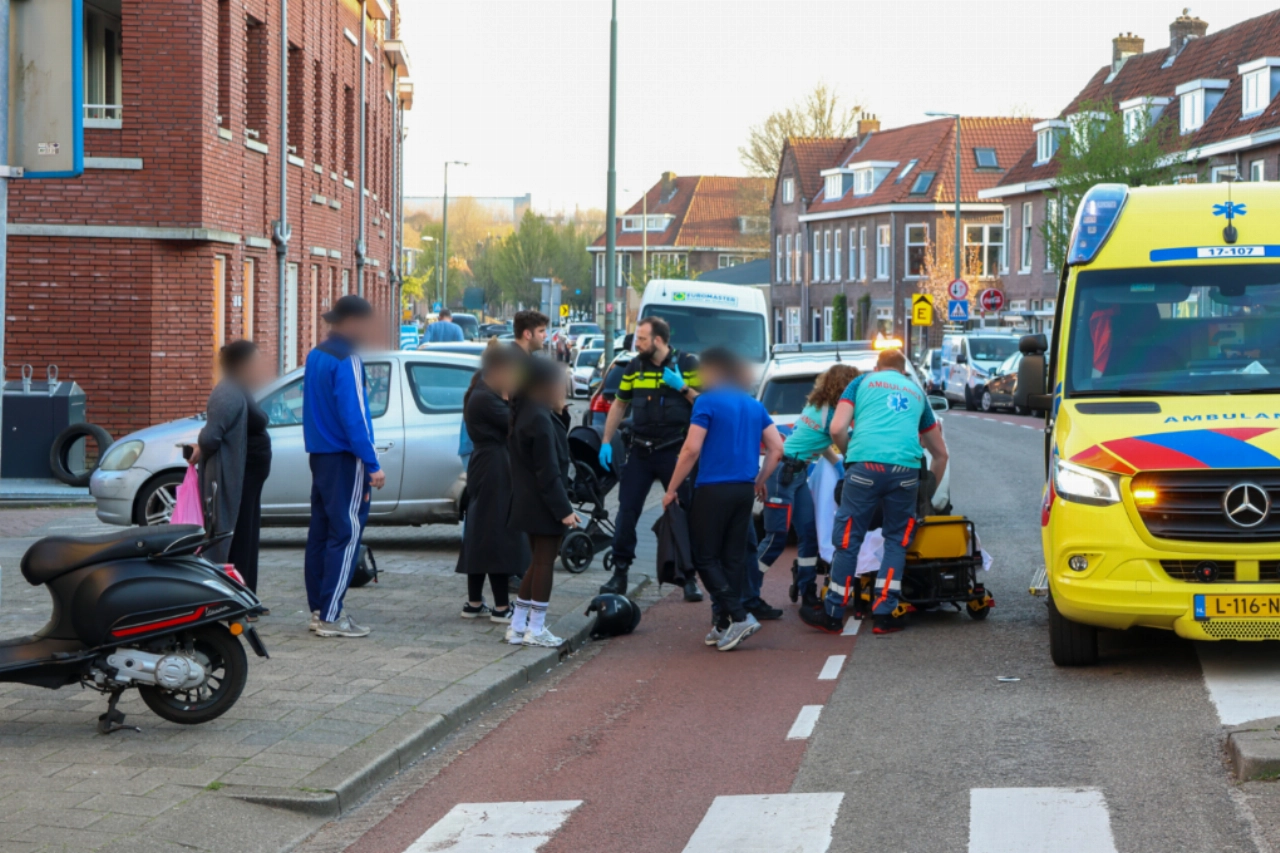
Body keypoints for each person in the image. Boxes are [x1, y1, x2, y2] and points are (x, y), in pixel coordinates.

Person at [813, 347, 949, 636]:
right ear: (902, 371)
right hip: (905, 472)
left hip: (865, 468)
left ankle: (833, 613)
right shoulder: (915, 391)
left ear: (877, 368)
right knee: (896, 542)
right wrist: (926, 495)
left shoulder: (860, 383)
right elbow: (940, 454)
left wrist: (853, 458)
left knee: (849, 540)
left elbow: (837, 429)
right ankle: (885, 615)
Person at [663, 347, 782, 651]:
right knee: (731, 557)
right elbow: (776, 448)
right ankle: (723, 622)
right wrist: (759, 480)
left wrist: (672, 488)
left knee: (704, 556)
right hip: (743, 489)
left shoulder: (706, 401)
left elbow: (690, 450)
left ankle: (740, 616)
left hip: (713, 488)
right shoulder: (753, 404)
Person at [598, 317, 703, 602]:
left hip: (674, 451)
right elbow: (620, 404)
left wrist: (682, 387)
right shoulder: (634, 367)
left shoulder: (689, 365)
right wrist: (606, 441)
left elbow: (706, 404)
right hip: (641, 451)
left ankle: (689, 578)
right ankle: (620, 574)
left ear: (658, 340)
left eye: (642, 339)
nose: (637, 344)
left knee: (682, 511)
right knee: (626, 511)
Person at [302, 294, 385, 639]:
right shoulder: (347, 359)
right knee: (347, 533)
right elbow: (356, 417)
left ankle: (320, 608)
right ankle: (332, 615)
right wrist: (372, 462)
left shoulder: (316, 354)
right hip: (344, 458)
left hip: (320, 456)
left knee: (320, 534)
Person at [757, 364, 860, 612]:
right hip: (784, 472)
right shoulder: (834, 411)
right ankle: (746, 594)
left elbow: (820, 440)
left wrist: (837, 464)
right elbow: (837, 437)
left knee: (809, 535)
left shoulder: (818, 406)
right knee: (775, 537)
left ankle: (807, 591)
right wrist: (849, 458)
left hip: (797, 472)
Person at [506, 357, 581, 648]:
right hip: (543, 503)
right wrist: (564, 510)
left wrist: (560, 409)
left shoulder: (527, 410)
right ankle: (535, 629)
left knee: (536, 564)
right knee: (544, 564)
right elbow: (548, 471)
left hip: (528, 500)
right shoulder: (537, 416)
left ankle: (517, 626)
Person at [192, 340, 274, 596]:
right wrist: (200, 449)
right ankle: (236, 595)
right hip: (238, 478)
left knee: (248, 536)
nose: (260, 367)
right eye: (256, 362)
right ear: (242, 365)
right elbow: (211, 436)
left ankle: (247, 594)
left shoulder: (239, 389)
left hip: (248, 477)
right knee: (239, 536)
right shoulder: (226, 392)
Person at [456, 343, 528, 622]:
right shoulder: (485, 398)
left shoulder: (482, 393)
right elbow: (517, 424)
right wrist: (511, 398)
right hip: (493, 469)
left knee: (481, 534)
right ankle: (501, 607)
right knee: (496, 534)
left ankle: (474, 602)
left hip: (489, 466)